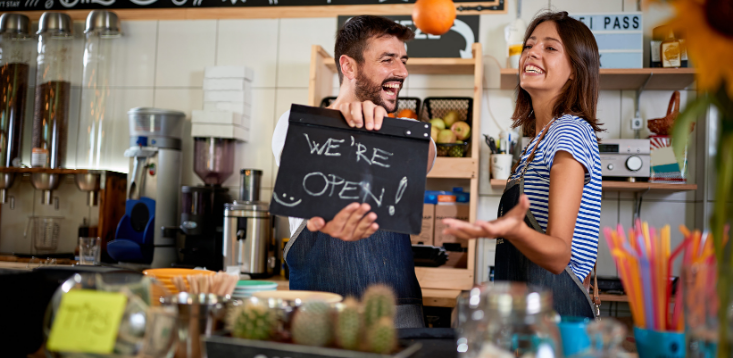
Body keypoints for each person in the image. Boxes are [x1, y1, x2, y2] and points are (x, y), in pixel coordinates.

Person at [272, 15, 436, 328]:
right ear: (348, 67)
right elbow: (315, 173)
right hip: (318, 323)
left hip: (395, 325)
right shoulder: (294, 127)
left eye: (403, 60)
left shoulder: (409, 132)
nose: (401, 72)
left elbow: (422, 155)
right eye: (387, 59)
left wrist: (378, 128)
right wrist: (346, 123)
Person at [442, 11, 603, 318]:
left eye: (550, 48)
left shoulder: (569, 130)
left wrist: (512, 230)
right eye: (529, 45)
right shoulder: (540, 140)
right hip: (530, 315)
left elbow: (558, 255)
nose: (532, 52)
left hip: (557, 316)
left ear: (575, 70)